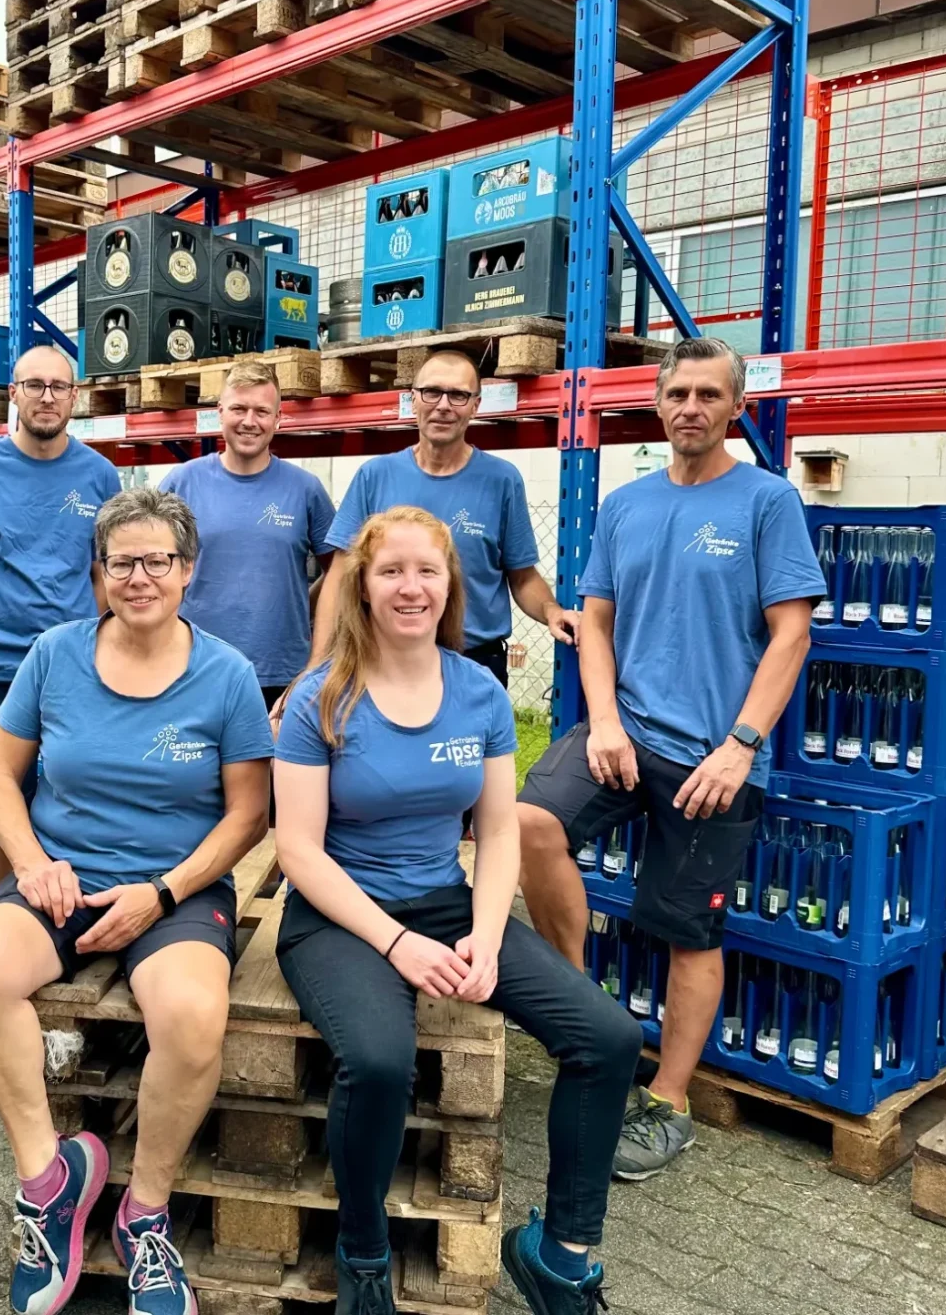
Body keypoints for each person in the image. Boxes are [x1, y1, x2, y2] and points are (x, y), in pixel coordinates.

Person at [274, 505, 641, 1315]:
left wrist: (482, 929)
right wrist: (398, 943)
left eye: (427, 571)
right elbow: (298, 850)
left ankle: (561, 1252)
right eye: (391, 571)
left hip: (447, 901)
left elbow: (499, 827)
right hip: (340, 915)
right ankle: (364, 1255)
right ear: (362, 587)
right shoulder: (319, 699)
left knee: (608, 1038)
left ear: (451, 586)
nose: (410, 587)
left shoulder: (478, 693)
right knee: (377, 1062)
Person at [0, 487, 273, 1315]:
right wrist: (30, 862)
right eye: (120, 561)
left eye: (156, 560)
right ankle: (49, 1181)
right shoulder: (53, 655)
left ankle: (145, 1215)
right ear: (98, 573)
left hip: (177, 890)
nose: (137, 577)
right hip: (63, 881)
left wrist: (165, 892)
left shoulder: (226, 675)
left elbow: (248, 812)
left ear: (187, 571)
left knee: (194, 1016)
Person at [516, 336, 824, 1183]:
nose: (690, 407)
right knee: (526, 823)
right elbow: (597, 625)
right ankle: (583, 1014)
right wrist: (605, 723)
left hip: (716, 759)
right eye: (677, 393)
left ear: (736, 408)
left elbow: (792, 634)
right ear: (657, 405)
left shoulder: (766, 502)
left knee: (686, 930)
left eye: (707, 395)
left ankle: (671, 1102)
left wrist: (740, 746)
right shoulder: (626, 504)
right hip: (628, 732)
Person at [0, 345, 121, 901]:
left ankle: (67, 915)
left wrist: (102, 650)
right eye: (35, 385)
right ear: (13, 394)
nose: (47, 396)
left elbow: (102, 574)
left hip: (72, 673)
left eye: (59, 387)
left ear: (75, 396)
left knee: (74, 800)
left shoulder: (99, 476)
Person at [310, 350, 578, 695]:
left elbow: (522, 575)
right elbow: (339, 575)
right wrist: (317, 667)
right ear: (413, 400)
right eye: (432, 392)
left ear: (475, 405)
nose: (443, 405)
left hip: (474, 663)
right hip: (384, 660)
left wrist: (551, 611)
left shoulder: (501, 480)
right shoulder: (374, 476)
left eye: (458, 395)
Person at [159, 360, 334, 710]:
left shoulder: (305, 490)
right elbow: (153, 568)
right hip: (196, 667)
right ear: (220, 412)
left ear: (278, 418)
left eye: (262, 411)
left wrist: (298, 604)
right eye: (238, 408)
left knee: (273, 766)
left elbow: (341, 572)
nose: (249, 421)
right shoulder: (182, 484)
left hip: (282, 675)